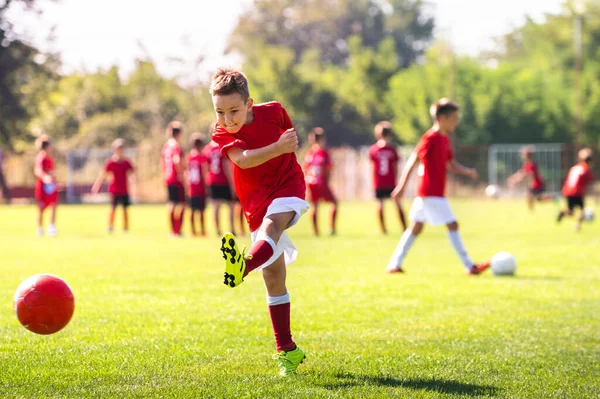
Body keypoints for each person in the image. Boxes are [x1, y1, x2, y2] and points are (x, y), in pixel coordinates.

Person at [210, 68, 308, 376]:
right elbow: (243, 160)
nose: (227, 119)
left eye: (234, 111)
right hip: (255, 200)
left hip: (288, 185)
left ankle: (244, 266)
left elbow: (291, 144)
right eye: (220, 112)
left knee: (272, 228)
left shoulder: (276, 111)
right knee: (275, 279)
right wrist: (279, 147)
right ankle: (287, 351)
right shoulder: (221, 132)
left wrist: (284, 147)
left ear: (250, 103)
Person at [388, 98, 490, 275]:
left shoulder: (444, 139)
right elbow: (414, 158)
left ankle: (394, 264)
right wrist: (402, 186)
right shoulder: (431, 137)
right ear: (442, 118)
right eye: (454, 118)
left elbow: (450, 164)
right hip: (430, 192)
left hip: (429, 193)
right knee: (453, 224)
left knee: (416, 227)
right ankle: (469, 265)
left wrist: (468, 171)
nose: (457, 122)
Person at [369, 121, 407, 234]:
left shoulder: (374, 150)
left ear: (378, 134)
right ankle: (405, 228)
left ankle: (383, 229)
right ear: (390, 134)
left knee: (380, 204)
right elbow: (395, 167)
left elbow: (373, 168)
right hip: (391, 181)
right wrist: (397, 181)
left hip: (379, 182)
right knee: (398, 203)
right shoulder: (392, 150)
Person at [91, 139, 135, 233]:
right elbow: (103, 175)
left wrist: (134, 184)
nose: (120, 151)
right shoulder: (111, 162)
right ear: (114, 150)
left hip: (124, 189)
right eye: (118, 148)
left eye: (121, 148)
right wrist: (97, 185)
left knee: (125, 209)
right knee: (113, 209)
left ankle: (125, 228)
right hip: (114, 190)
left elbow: (132, 174)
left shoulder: (126, 162)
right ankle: (110, 226)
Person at [303, 127, 338, 236]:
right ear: (322, 138)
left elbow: (306, 168)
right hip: (321, 181)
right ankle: (332, 228)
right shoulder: (324, 152)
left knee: (315, 206)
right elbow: (328, 168)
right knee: (335, 203)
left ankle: (316, 231)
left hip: (310, 182)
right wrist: (326, 182)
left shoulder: (310, 153)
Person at [202, 137, 237, 236]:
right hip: (224, 180)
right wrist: (232, 183)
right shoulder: (223, 147)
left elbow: (205, 167)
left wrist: (206, 182)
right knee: (231, 205)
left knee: (216, 206)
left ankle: (218, 230)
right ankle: (232, 229)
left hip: (212, 180)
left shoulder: (207, 149)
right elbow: (226, 166)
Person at [557, 148, 594, 231]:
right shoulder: (585, 169)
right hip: (577, 192)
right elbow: (590, 181)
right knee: (582, 211)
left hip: (567, 191)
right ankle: (577, 225)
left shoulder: (575, 167)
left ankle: (563, 213)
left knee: (571, 212)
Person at [507, 146, 554, 211]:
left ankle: (553, 199)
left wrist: (517, 180)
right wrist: (514, 178)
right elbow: (522, 172)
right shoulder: (528, 163)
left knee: (536, 198)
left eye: (523, 154)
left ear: (526, 155)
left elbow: (528, 174)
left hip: (536, 184)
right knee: (533, 198)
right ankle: (531, 211)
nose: (522, 156)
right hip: (535, 184)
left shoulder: (531, 164)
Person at [161, 121, 186, 237]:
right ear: (179, 133)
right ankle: (177, 230)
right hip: (177, 178)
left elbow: (162, 163)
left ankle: (172, 231)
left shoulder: (166, 146)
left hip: (168, 177)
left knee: (171, 203)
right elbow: (177, 160)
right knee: (181, 205)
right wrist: (182, 175)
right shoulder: (176, 145)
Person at [34, 135, 58, 237]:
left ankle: (51, 227)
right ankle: (40, 228)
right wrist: (45, 177)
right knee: (41, 208)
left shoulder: (50, 158)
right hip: (43, 187)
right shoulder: (41, 158)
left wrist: (53, 178)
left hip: (51, 186)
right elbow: (38, 170)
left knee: (53, 204)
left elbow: (52, 171)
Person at [186, 133, 208, 237]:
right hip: (200, 187)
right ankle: (202, 231)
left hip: (191, 187)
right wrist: (207, 187)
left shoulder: (189, 157)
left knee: (192, 210)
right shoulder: (201, 157)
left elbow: (186, 172)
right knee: (201, 211)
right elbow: (204, 173)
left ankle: (193, 231)